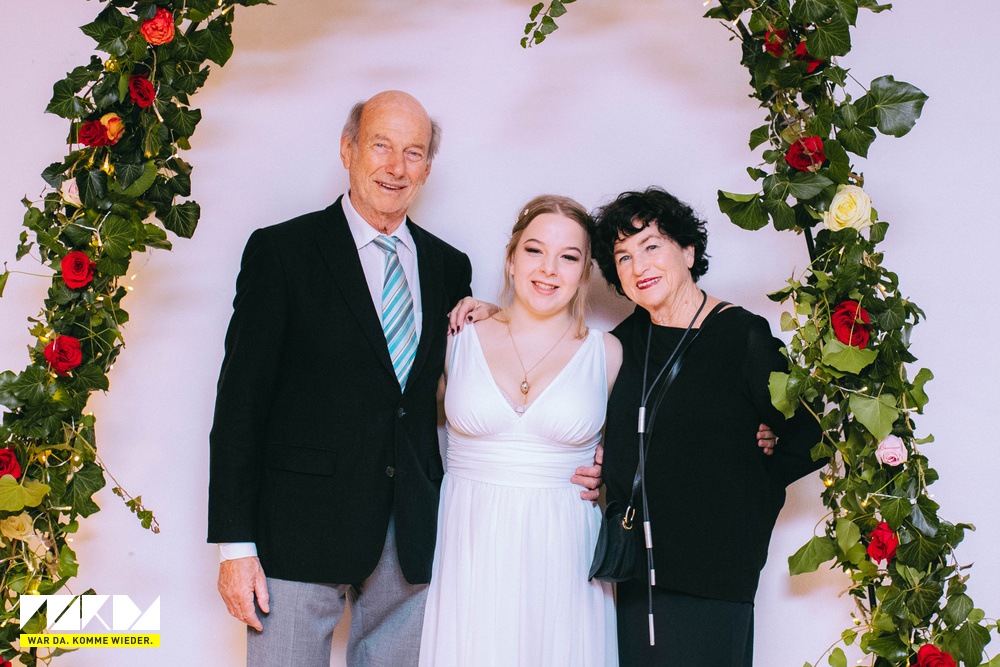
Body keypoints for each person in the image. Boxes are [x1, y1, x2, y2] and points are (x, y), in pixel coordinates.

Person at [206, 91, 603, 666]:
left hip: (413, 533)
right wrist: (234, 547)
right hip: (296, 529)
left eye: (413, 152)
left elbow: (462, 374)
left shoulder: (448, 265)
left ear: (428, 167)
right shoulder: (282, 251)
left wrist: (497, 314)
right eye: (381, 146)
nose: (396, 167)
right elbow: (239, 405)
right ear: (348, 150)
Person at [590, 186, 824, 666]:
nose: (639, 266)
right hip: (635, 573)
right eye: (623, 257)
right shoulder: (623, 343)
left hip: (714, 575)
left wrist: (755, 473)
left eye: (651, 246)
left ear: (688, 251)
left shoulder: (742, 335)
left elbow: (812, 434)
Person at [419, 195, 621, 666]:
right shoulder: (457, 338)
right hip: (469, 547)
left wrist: (609, 469)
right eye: (534, 250)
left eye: (568, 257)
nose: (548, 269)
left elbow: (653, 442)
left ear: (584, 272)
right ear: (511, 259)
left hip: (565, 553)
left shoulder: (608, 353)